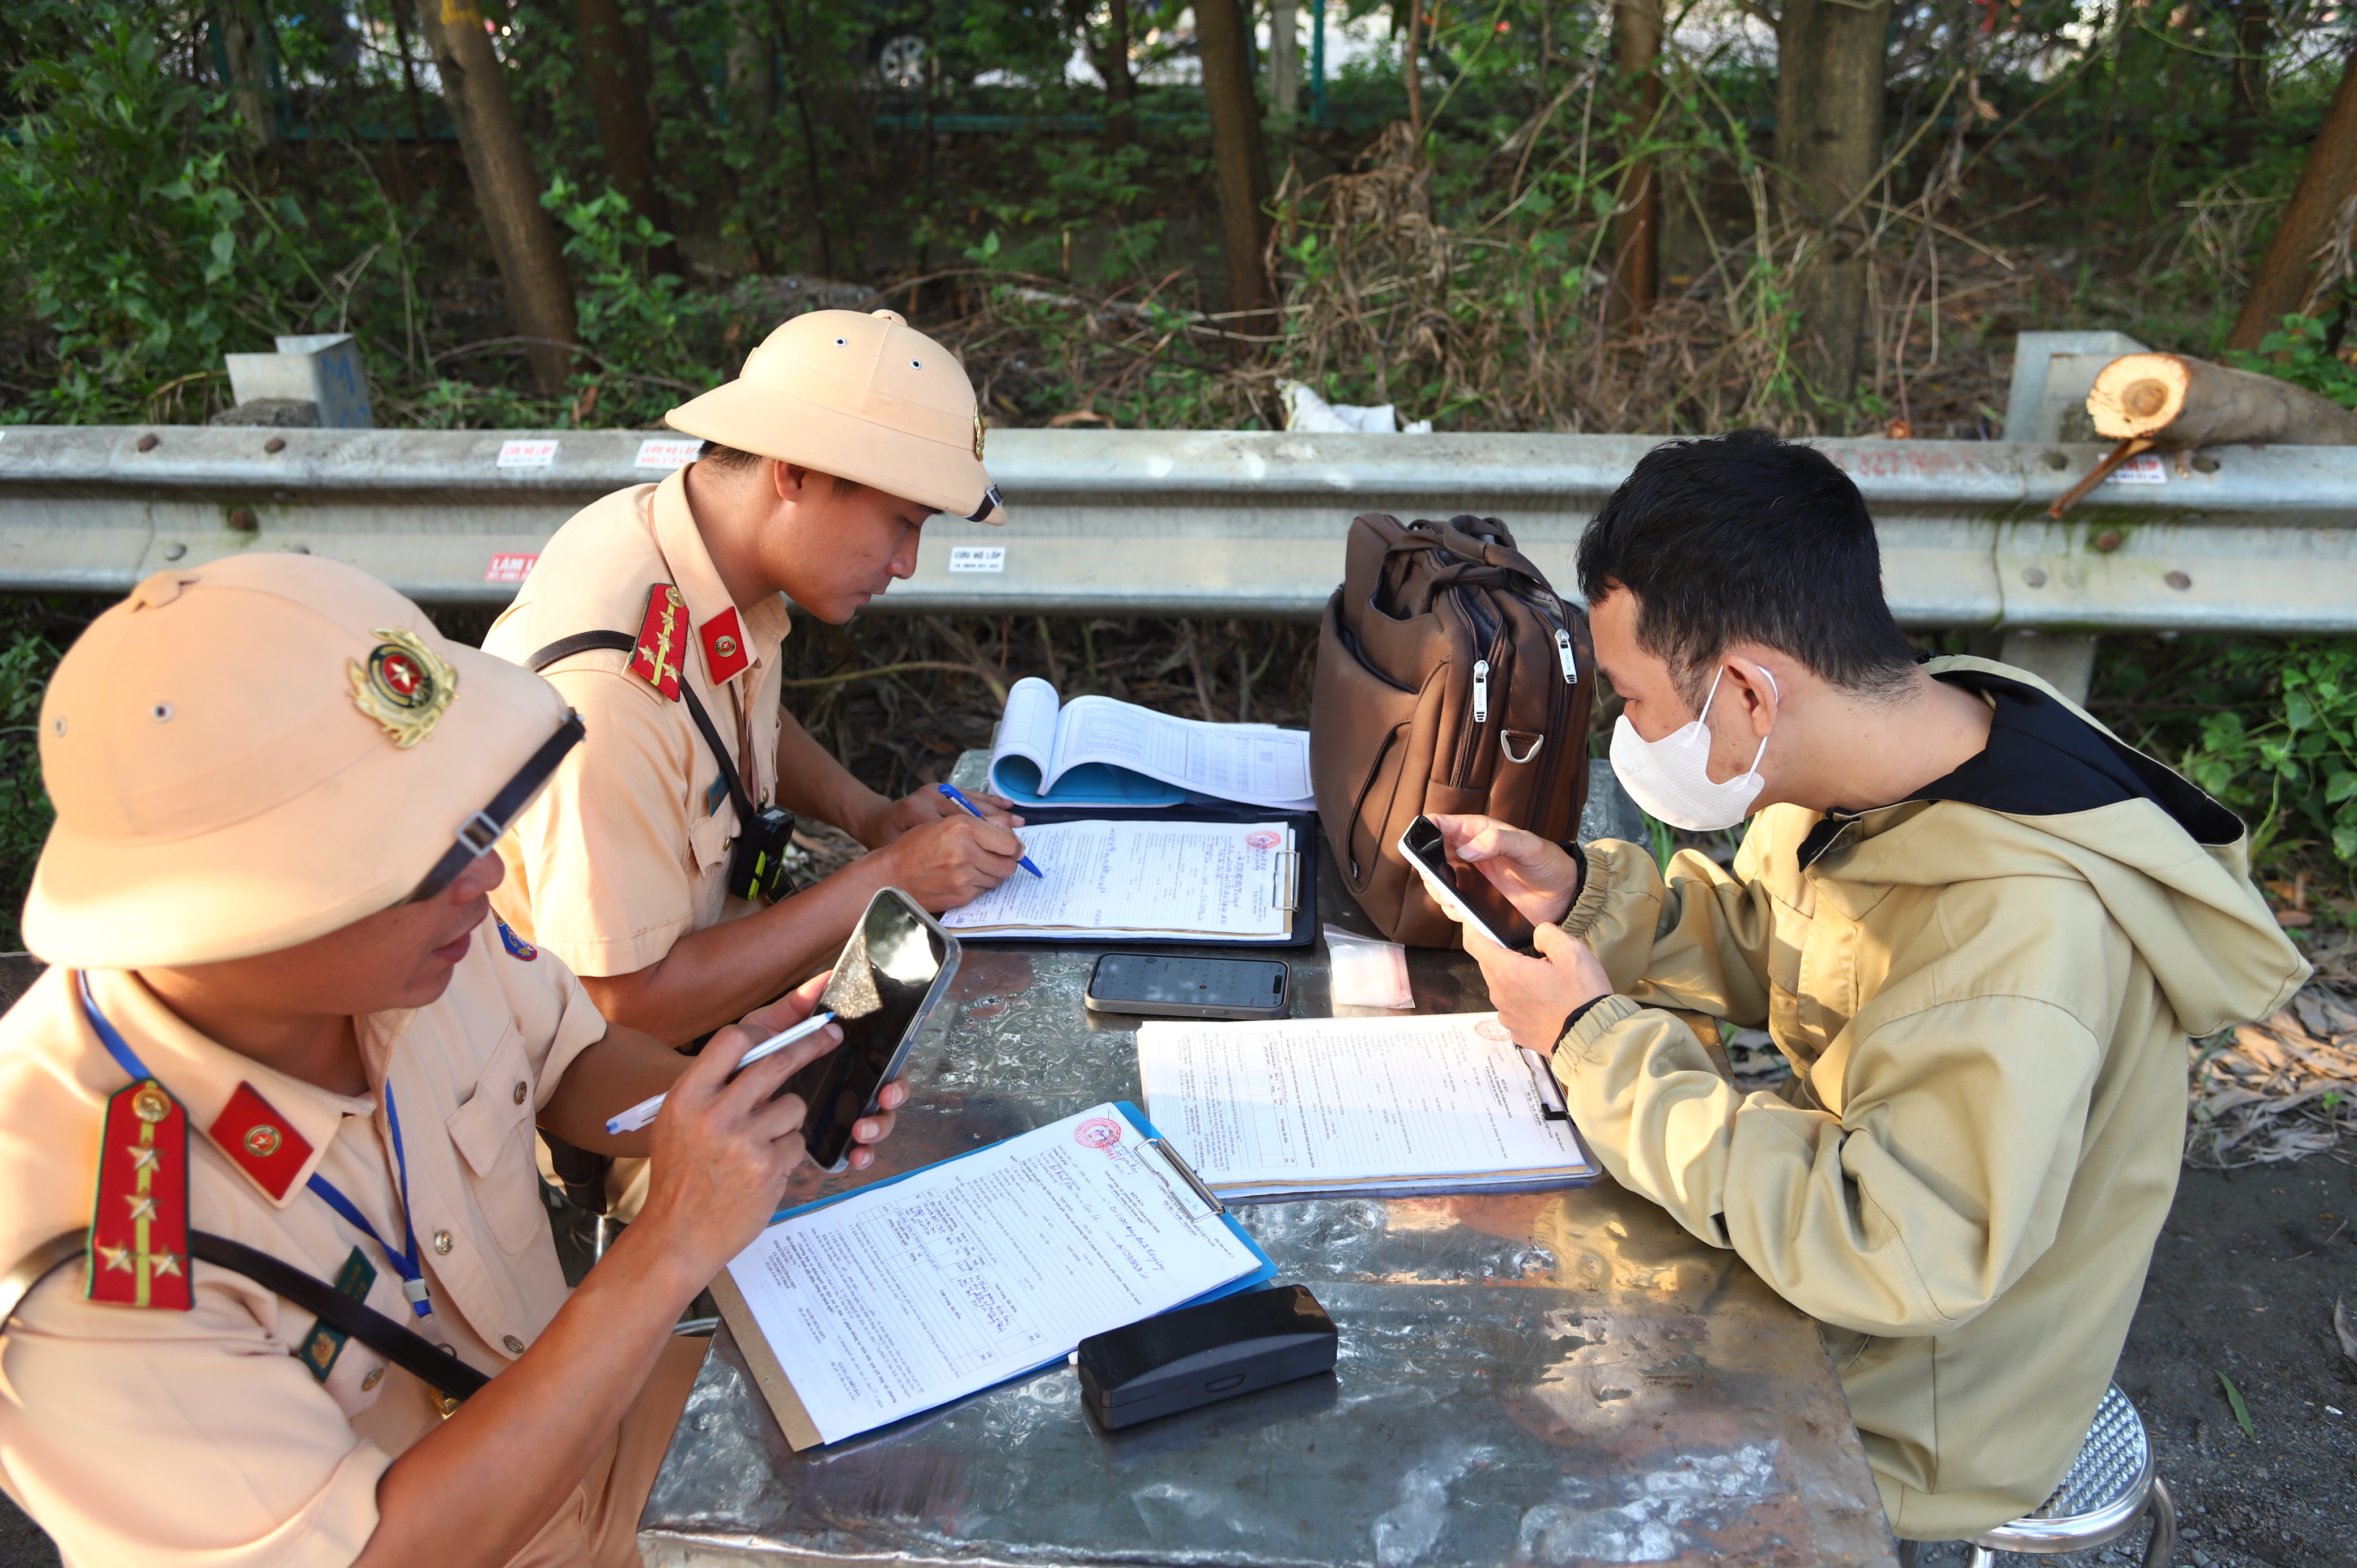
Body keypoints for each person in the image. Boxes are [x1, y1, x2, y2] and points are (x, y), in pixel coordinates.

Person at [1426, 430, 2306, 1542]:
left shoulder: (2016, 938)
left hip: (1918, 1407)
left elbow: (1893, 1249)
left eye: (1636, 697)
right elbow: (1784, 939)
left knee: (1494, 1432)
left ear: (1748, 687)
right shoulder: (1884, 751)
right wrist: (1587, 904)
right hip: (1857, 1279)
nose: (1628, 733)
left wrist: (1593, 1043)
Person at [0, 554, 902, 1567]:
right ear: (235, 908)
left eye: (474, 820)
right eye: (420, 853)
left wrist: (740, 1100)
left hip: (599, 1422)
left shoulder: (415, 946)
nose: (485, 875)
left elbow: (573, 1058)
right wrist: (671, 1246)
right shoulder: (95, 1272)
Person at [482, 306, 1024, 1058]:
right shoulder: (609, 690)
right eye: (903, 522)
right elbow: (625, 1012)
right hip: (633, 1098)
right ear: (794, 471)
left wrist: (869, 817)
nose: (907, 564)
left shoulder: (694, 541)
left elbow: (728, 707)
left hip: (727, 1002)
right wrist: (886, 880)